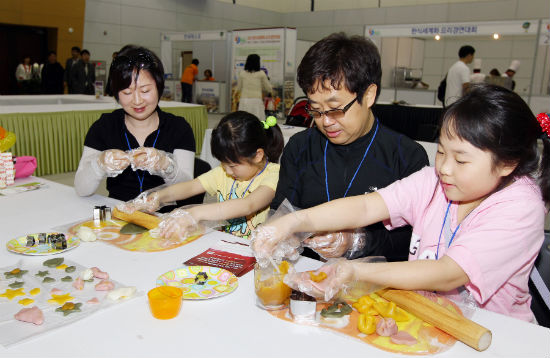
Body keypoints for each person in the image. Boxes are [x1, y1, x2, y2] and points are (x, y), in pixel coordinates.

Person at [252, 84, 550, 323]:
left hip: (494, 332)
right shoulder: (433, 180)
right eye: (441, 152)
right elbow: (367, 206)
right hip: (424, 318)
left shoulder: (521, 206)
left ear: (507, 163)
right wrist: (293, 221)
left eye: (461, 159)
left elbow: (449, 272)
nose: (445, 167)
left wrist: (356, 272)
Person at [271, 32, 429, 263]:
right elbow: (282, 210)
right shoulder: (300, 146)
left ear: (369, 95)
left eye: (335, 109)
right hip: (306, 274)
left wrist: (357, 241)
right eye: (315, 109)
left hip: (374, 287)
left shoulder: (405, 156)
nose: (325, 121)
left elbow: (412, 242)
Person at [117, 111, 283, 239]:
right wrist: (156, 197)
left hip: (255, 251)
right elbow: (191, 186)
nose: (228, 170)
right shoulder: (223, 172)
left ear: (258, 155)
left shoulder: (275, 174)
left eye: (233, 165)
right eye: (223, 163)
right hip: (226, 246)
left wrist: (195, 213)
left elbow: (248, 205)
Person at [74, 45, 196, 204]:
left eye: (145, 91)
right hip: (117, 218)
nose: (137, 101)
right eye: (127, 93)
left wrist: (166, 165)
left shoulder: (179, 128)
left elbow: (186, 190)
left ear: (159, 87)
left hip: (166, 221)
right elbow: (82, 189)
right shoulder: (104, 126)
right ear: (116, 93)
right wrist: (99, 165)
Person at [236, 54, 273, 121]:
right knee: (257, 121)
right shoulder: (261, 73)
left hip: (244, 101)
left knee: (243, 121)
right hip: (256, 101)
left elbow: (238, 88)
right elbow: (268, 88)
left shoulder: (242, 73)